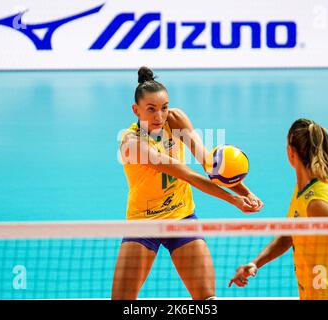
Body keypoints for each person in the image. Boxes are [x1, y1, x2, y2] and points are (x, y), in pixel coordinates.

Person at [112, 66, 264, 300]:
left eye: (164, 108)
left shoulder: (176, 120)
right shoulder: (132, 144)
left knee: (207, 301)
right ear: (136, 110)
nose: (159, 117)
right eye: (150, 110)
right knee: (122, 302)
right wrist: (234, 200)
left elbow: (209, 165)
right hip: (143, 222)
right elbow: (188, 175)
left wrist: (246, 192)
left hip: (182, 218)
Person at [229, 118, 328, 300]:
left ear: (291, 152)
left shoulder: (317, 204)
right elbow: (291, 233)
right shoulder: (303, 188)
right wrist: (255, 263)